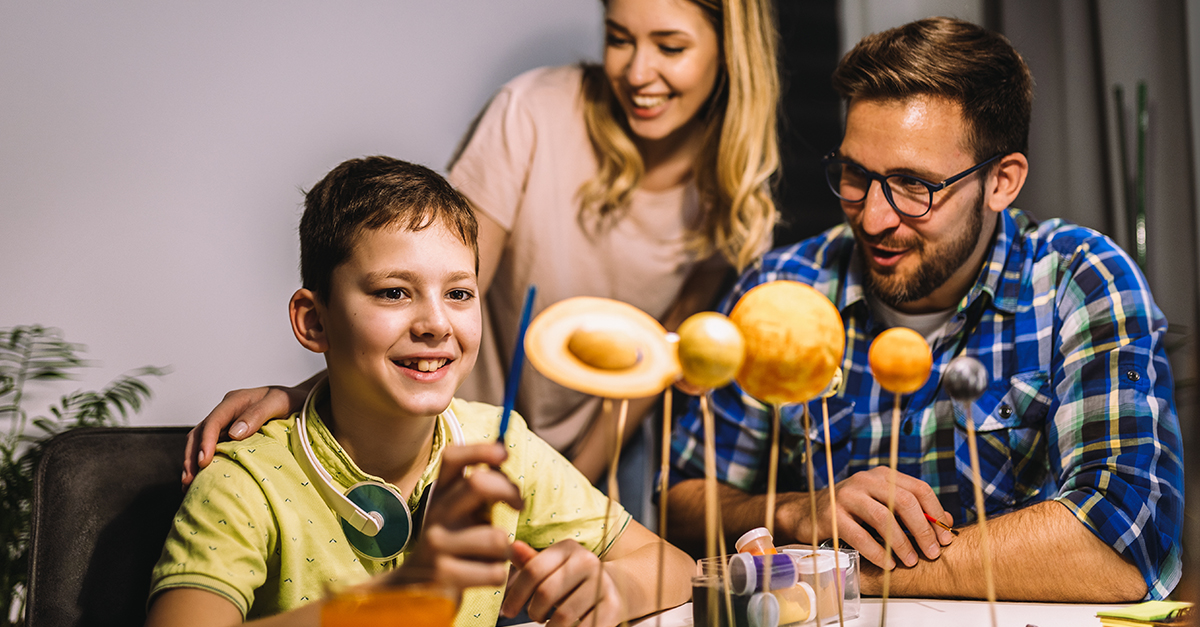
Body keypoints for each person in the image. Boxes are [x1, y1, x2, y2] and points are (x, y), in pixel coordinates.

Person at [667, 17, 1183, 603]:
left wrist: (846, 573)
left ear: (1002, 182)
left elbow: (1121, 544)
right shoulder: (784, 287)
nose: (872, 218)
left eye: (914, 185)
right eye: (856, 175)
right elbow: (677, 502)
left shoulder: (1081, 280)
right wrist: (794, 512)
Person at [181, 0, 781, 494]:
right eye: (619, 38)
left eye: (670, 48)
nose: (637, 72)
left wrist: (562, 489)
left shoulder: (732, 197)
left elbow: (647, 377)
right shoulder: (533, 113)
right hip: (443, 436)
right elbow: (428, 306)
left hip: (578, 460)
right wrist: (299, 395)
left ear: (730, 53)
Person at [146, 156, 693, 627]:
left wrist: (614, 587)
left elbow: (672, 565)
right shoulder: (245, 483)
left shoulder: (499, 448)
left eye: (459, 292)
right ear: (314, 322)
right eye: (393, 292)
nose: (436, 322)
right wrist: (401, 600)